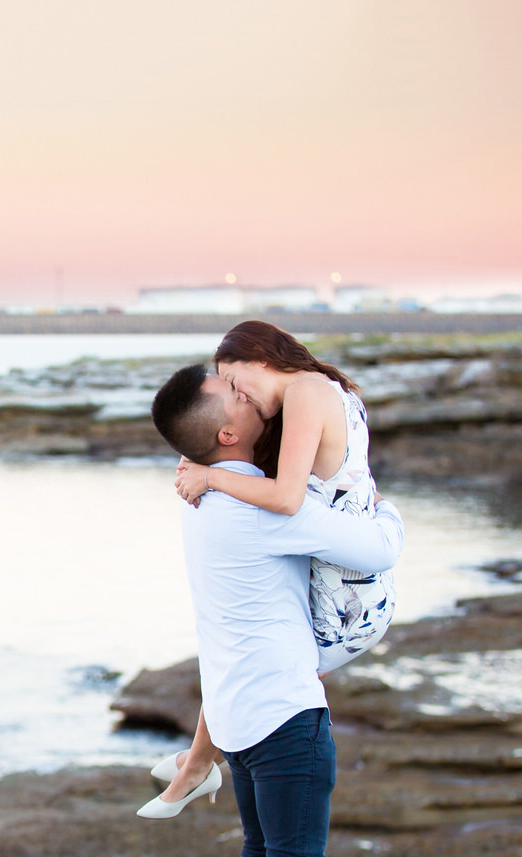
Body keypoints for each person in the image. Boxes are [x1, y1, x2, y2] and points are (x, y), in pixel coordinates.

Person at [143, 362, 405, 857]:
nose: (252, 392)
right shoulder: (262, 502)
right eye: (236, 393)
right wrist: (385, 506)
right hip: (286, 714)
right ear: (229, 430)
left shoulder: (202, 499)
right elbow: (377, 549)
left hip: (238, 714)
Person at [148, 321, 396, 815]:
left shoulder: (306, 390)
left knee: (241, 641)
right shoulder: (329, 391)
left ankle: (198, 764)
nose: (238, 393)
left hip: (348, 596)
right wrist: (201, 456)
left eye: (235, 381)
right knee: (238, 636)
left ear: (260, 355)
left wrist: (211, 474)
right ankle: (198, 761)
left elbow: (285, 497)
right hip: (345, 579)